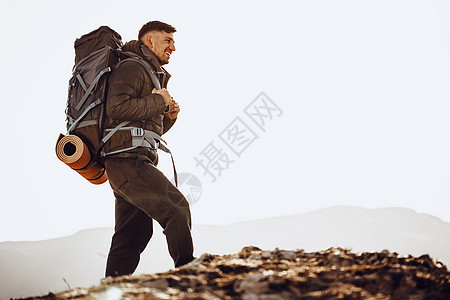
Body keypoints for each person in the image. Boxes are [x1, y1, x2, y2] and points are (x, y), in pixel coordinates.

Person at [102, 20, 195, 277]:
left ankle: (112, 287)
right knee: (175, 208)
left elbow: (144, 130)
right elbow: (116, 108)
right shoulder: (132, 67)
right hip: (127, 161)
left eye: (173, 42)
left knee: (133, 233)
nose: (173, 47)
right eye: (168, 41)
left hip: (128, 160)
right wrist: (158, 100)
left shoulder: (150, 72)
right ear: (149, 41)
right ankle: (188, 274)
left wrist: (168, 116)